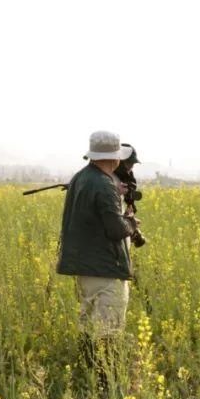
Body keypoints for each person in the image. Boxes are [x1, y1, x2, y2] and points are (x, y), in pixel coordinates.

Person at [57, 131, 139, 377]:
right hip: (105, 268)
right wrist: (131, 225)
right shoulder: (104, 184)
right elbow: (115, 230)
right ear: (114, 159)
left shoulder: (81, 177)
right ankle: (106, 384)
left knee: (88, 324)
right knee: (108, 331)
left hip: (85, 267)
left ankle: (87, 376)